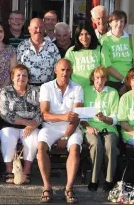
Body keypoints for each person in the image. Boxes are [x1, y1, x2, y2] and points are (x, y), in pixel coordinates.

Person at [37, 59, 83, 203]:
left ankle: (69, 188)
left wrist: (65, 137)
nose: (65, 73)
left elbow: (76, 118)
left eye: (68, 70)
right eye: (62, 70)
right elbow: (44, 114)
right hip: (50, 126)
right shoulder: (46, 87)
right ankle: (47, 186)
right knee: (41, 147)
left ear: (71, 71)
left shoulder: (77, 88)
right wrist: (62, 116)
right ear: (55, 70)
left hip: (71, 127)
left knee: (74, 149)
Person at [0, 64, 41, 184]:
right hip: (9, 125)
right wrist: (26, 122)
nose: (21, 77)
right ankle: (9, 171)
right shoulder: (5, 91)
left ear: (28, 78)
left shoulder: (36, 91)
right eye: (18, 75)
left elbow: (42, 111)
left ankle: (26, 171)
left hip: (32, 125)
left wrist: (33, 124)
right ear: (12, 77)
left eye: (24, 75)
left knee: (33, 139)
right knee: (8, 139)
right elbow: (4, 113)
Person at [80, 66, 119, 192]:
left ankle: (109, 179)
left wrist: (105, 118)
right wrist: (88, 127)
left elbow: (115, 118)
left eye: (102, 77)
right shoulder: (85, 91)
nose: (99, 80)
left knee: (110, 145)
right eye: (97, 77)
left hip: (108, 127)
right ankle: (94, 179)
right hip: (90, 127)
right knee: (96, 144)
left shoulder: (113, 92)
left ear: (107, 79)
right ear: (93, 78)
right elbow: (81, 115)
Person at [100, 10, 134, 92]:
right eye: (116, 21)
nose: (119, 24)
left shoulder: (131, 39)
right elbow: (107, 66)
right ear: (110, 23)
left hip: (130, 82)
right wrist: (124, 80)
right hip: (111, 82)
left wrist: (130, 80)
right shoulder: (104, 40)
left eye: (122, 21)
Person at [65, 20, 109, 88]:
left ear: (92, 35)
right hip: (76, 89)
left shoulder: (100, 49)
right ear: (77, 36)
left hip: (95, 89)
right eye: (81, 34)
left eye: (87, 34)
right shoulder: (71, 51)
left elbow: (106, 70)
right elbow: (66, 71)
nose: (84, 38)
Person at [17, 18, 61, 86]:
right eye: (35, 27)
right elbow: (16, 68)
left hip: (47, 88)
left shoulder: (52, 47)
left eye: (41, 27)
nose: (38, 30)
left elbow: (59, 69)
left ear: (44, 29)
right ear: (29, 29)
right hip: (26, 88)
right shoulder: (22, 46)